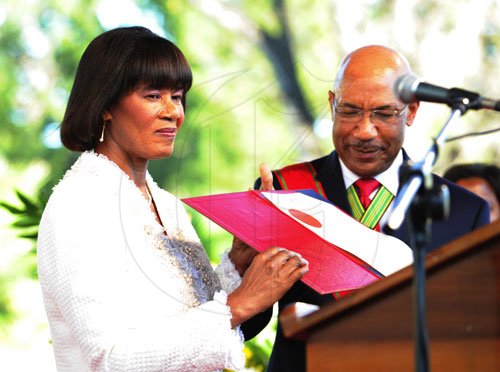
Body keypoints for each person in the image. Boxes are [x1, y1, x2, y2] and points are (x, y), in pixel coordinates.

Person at [37, 26, 309, 372]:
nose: (173, 112)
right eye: (153, 95)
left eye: (177, 96)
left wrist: (240, 265)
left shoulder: (168, 206)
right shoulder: (78, 206)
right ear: (105, 105)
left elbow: (193, 318)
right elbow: (109, 360)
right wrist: (237, 305)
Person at [230, 45, 490, 372]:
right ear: (331, 104)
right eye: (350, 111)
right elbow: (247, 327)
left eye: (383, 113)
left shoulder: (464, 212)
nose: (364, 131)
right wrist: (243, 271)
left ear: (411, 111)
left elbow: (474, 339)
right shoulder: (284, 189)